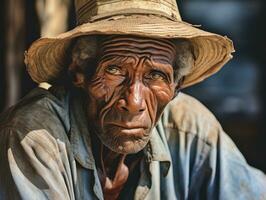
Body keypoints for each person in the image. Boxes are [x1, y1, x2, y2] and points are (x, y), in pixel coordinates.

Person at [0, 0, 266, 199]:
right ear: (79, 72)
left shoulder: (189, 128)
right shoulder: (34, 136)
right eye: (114, 70)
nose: (134, 100)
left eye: (155, 75)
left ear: (176, 86)